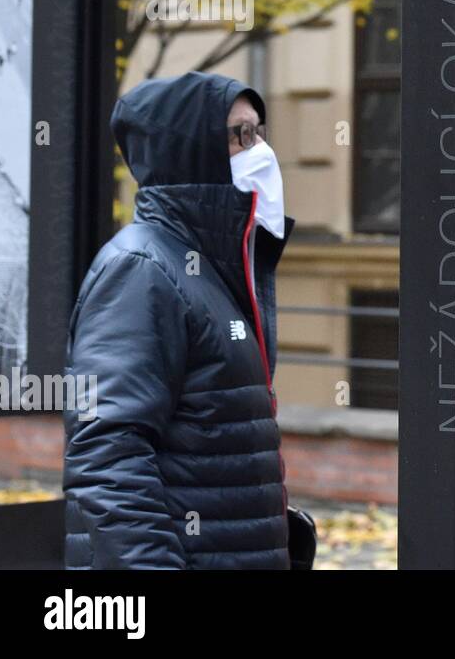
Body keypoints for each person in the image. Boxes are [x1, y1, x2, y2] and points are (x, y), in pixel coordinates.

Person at [63, 71, 313, 569]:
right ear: (189, 150)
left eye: (260, 131)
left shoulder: (214, 268)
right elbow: (108, 457)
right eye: (240, 134)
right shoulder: (142, 269)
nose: (259, 149)